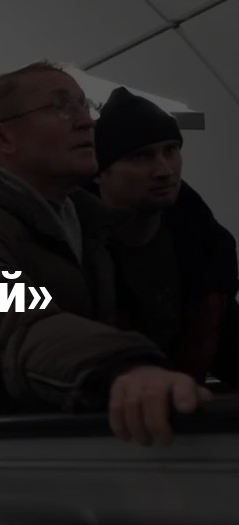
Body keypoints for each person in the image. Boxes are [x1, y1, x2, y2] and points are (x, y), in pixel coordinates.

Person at [0, 60, 211, 446]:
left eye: (83, 105)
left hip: (41, 450)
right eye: (60, 107)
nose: (86, 122)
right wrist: (120, 369)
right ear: (4, 137)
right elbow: (9, 326)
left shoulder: (88, 226)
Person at [90, 86, 239, 385]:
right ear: (98, 171)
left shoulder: (204, 246)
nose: (164, 170)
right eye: (141, 156)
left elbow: (224, 339)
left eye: (170, 150)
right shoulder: (67, 250)